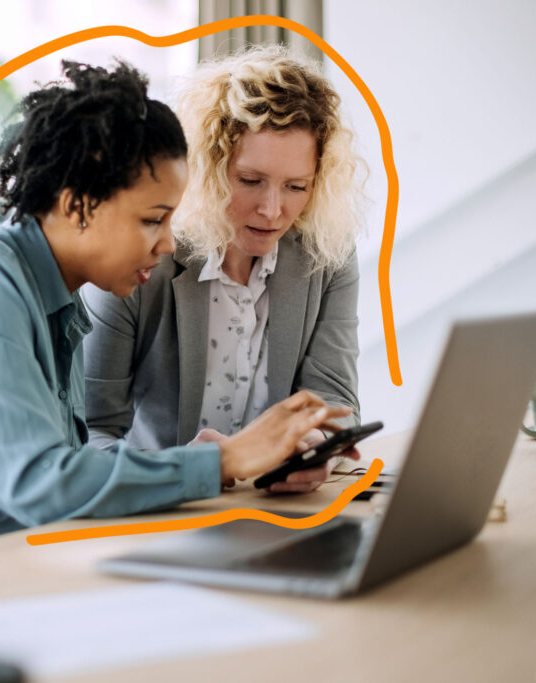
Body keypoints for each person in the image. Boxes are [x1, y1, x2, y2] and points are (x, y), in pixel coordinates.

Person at [0, 60, 350, 572]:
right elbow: (36, 484)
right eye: (152, 219)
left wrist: (195, 463)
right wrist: (220, 460)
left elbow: (64, 468)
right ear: (78, 207)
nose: (169, 243)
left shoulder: (58, 298)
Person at [83, 46, 366, 494]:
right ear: (207, 170)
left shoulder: (326, 255)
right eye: (250, 181)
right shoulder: (139, 256)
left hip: (272, 508)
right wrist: (185, 468)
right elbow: (88, 432)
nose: (272, 209)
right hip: (159, 507)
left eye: (296, 187)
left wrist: (317, 446)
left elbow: (334, 400)